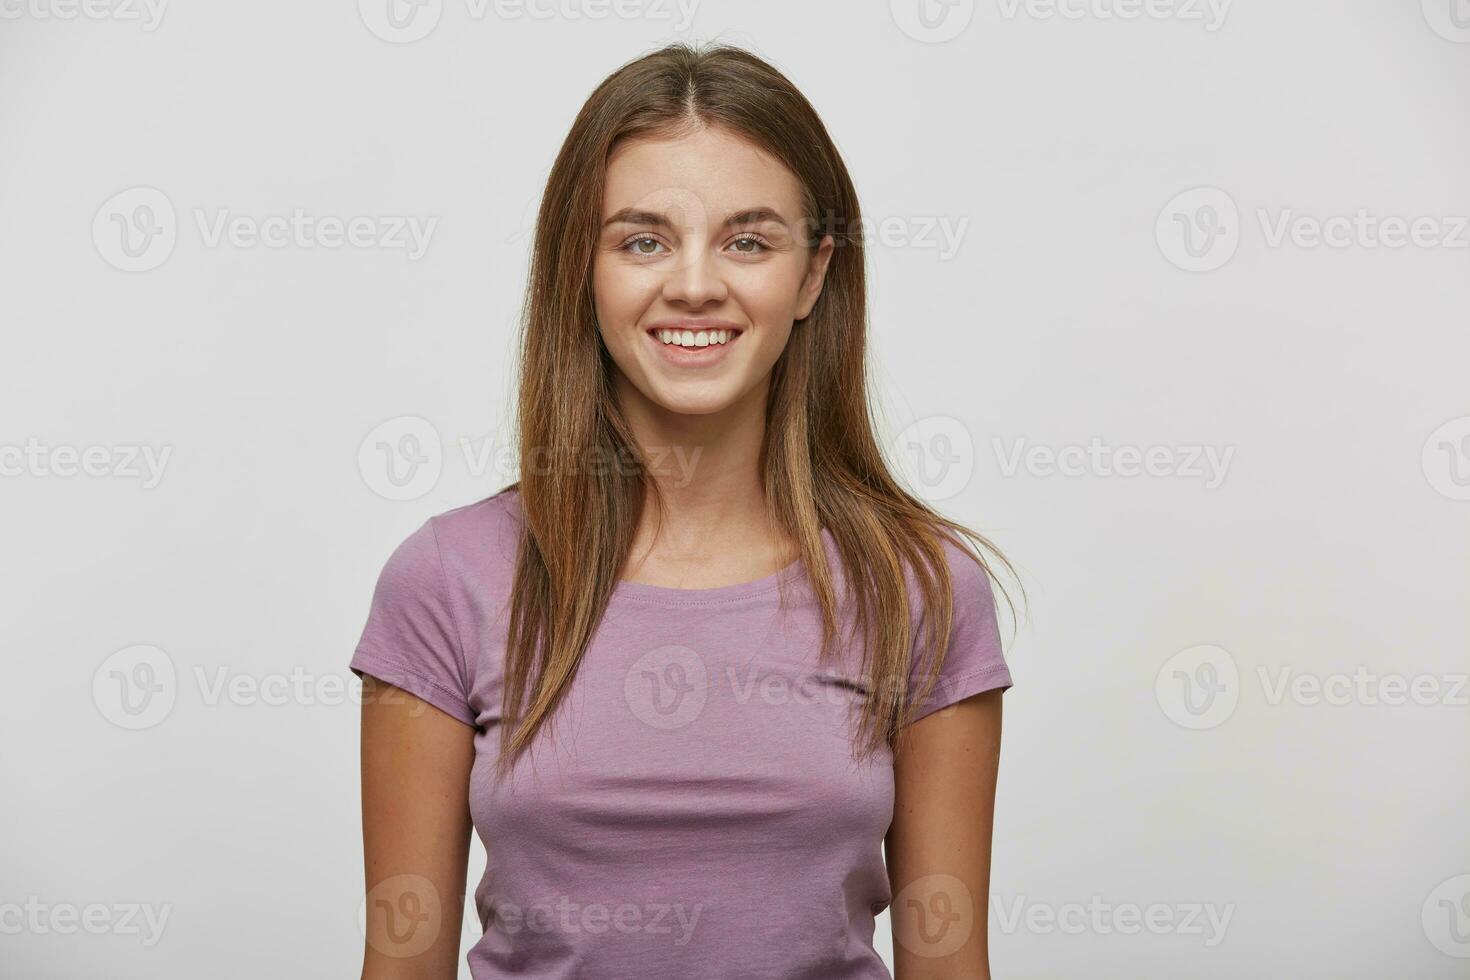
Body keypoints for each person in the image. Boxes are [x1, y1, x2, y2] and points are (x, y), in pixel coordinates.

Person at [351, 41, 1019, 980]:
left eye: (748, 240)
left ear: (814, 276)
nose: (696, 284)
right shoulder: (445, 581)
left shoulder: (922, 590)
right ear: (581, 268)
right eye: (643, 239)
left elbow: (951, 968)